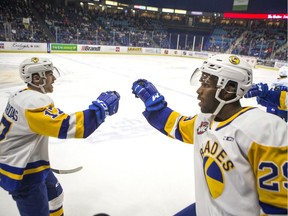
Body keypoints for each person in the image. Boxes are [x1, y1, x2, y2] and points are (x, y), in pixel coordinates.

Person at [131, 54, 288, 215]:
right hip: (208, 208)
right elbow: (176, 126)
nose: (199, 90)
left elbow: (278, 209)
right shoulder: (205, 121)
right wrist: (154, 104)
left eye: (206, 84)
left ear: (228, 90)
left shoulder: (264, 130)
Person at [0, 57, 120, 216]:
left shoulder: (21, 95)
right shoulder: (33, 102)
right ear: (37, 78)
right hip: (23, 171)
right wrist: (100, 110)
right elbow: (67, 127)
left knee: (56, 197)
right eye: (49, 74)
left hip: (29, 161)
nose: (54, 78)